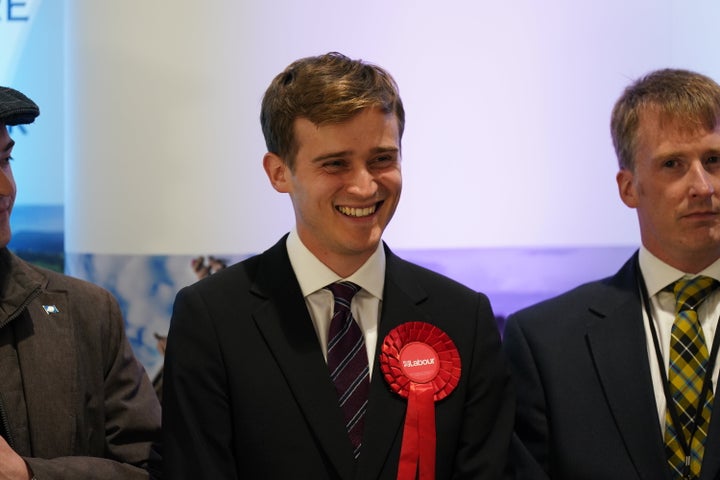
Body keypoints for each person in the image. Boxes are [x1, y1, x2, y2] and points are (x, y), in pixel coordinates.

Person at [162, 52, 514, 479]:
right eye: (335, 164)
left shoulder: (463, 319)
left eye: (383, 159)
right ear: (278, 173)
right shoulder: (212, 319)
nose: (365, 185)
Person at [504, 68, 720, 480]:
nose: (702, 186)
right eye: (673, 164)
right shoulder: (544, 344)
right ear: (628, 188)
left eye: (714, 159)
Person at [0, 86, 162, 478]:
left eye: (6, 160)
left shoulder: (85, 313)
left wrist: (29, 475)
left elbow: (152, 469)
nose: (5, 188)